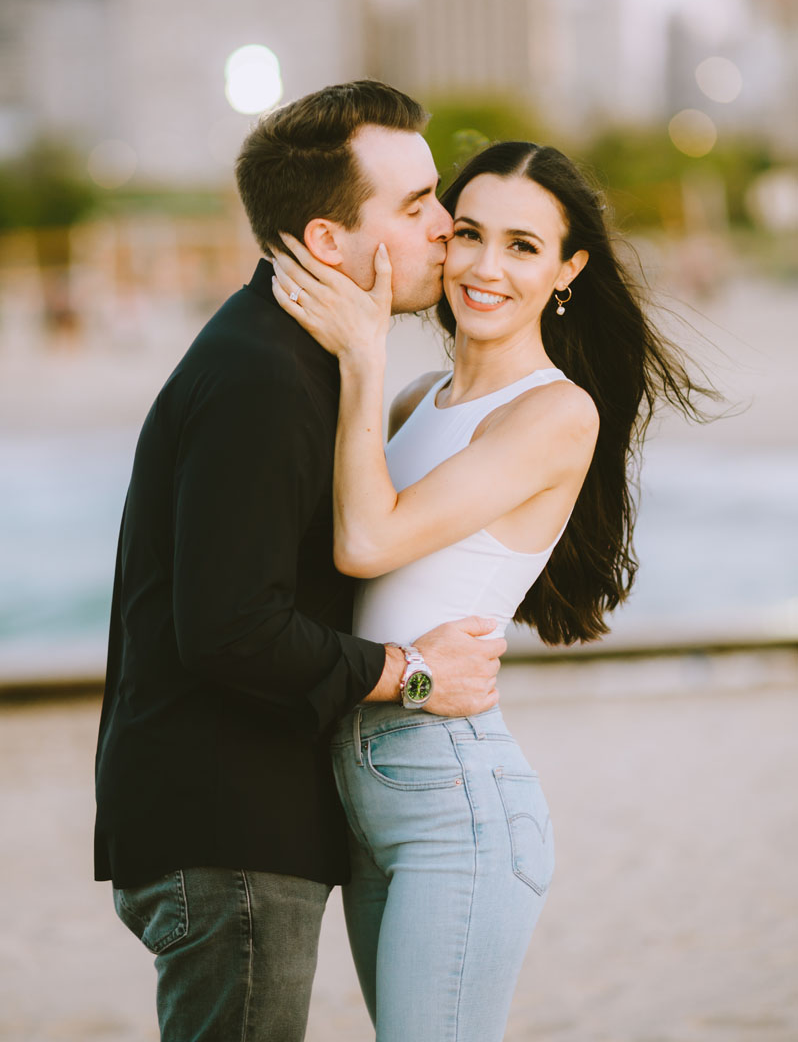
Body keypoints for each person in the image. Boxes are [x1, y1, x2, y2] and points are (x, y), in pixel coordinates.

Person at [93, 81, 507, 1042]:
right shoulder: (262, 377)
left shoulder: (291, 358)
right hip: (225, 829)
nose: (447, 227)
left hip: (230, 820)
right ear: (329, 242)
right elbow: (231, 628)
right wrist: (413, 675)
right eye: (415, 207)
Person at [271, 139, 711, 1042]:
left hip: (452, 799)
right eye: (468, 233)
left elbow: (364, 540)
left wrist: (363, 352)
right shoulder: (418, 401)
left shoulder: (556, 412)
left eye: (521, 246)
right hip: (360, 787)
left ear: (567, 269)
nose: (482, 267)